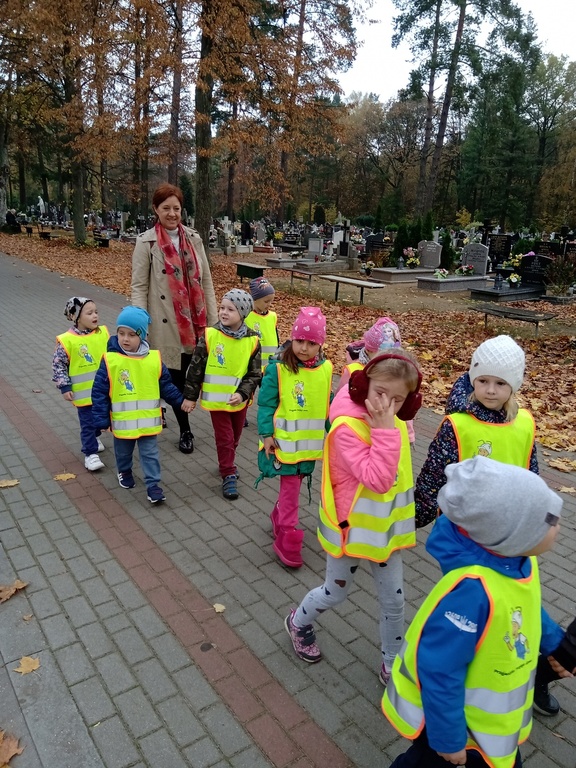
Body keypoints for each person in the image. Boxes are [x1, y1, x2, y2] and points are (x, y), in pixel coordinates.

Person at [382, 456, 564, 768]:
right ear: (512, 535)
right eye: (548, 521)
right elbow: (439, 669)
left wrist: (555, 643)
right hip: (455, 727)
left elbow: (528, 608)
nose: (558, 525)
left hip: (485, 727)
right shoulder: (472, 593)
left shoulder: (519, 562)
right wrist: (447, 739)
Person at [284, 350, 422, 680]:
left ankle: (391, 662)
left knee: (394, 602)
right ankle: (297, 622)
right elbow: (378, 479)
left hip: (383, 533)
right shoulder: (348, 429)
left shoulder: (392, 421)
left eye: (398, 399)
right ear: (363, 386)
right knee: (335, 592)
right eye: (380, 393)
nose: (386, 405)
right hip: (351, 531)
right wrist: (386, 431)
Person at [131, 183, 218, 455]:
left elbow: (206, 280)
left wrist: (214, 320)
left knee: (193, 373)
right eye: (166, 208)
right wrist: (139, 324)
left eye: (176, 208)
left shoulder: (194, 239)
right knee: (177, 378)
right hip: (164, 322)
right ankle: (185, 430)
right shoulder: (146, 242)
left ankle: (170, 410)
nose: (172, 213)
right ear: (156, 209)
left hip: (195, 321)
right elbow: (139, 286)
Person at [415, 335, 535, 529]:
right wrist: (416, 517)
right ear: (473, 380)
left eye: (501, 383)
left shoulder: (525, 423)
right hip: (460, 529)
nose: (490, 390)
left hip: (507, 526)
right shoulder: (457, 425)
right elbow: (434, 476)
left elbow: (531, 474)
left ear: (513, 385)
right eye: (483, 381)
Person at [257, 307, 332, 568]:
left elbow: (327, 405)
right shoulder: (278, 369)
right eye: (300, 341)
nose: (304, 348)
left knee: (295, 486)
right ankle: (287, 533)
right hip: (284, 444)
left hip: (308, 446)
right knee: (291, 489)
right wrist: (266, 434)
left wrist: (337, 431)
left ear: (320, 344)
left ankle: (279, 515)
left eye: (311, 343)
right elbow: (266, 404)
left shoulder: (325, 370)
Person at [92, 307, 187, 504]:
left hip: (147, 422)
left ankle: (153, 485)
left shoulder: (153, 359)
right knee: (123, 452)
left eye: (132, 335)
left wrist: (180, 401)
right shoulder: (111, 360)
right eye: (121, 333)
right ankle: (124, 471)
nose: (125, 339)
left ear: (142, 336)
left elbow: (166, 386)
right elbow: (99, 391)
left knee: (150, 454)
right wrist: (100, 419)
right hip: (123, 422)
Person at [183, 289, 261, 500]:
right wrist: (190, 396)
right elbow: (195, 368)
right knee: (225, 438)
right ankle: (228, 473)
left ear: (243, 313)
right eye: (222, 308)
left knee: (235, 437)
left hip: (238, 402)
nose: (224, 312)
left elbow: (254, 374)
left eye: (230, 309)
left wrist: (243, 394)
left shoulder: (253, 340)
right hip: (217, 401)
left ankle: (227, 462)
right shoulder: (210, 335)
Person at [52, 297, 110, 471]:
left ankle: (95, 436)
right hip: (84, 394)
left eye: (96, 312)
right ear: (76, 317)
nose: (95, 316)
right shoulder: (67, 340)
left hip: (104, 391)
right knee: (87, 423)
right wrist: (64, 386)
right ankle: (90, 454)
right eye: (89, 313)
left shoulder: (103, 333)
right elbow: (58, 365)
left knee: (100, 419)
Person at [245, 277, 279, 370]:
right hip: (253, 369)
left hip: (270, 368)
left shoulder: (273, 317)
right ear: (254, 299)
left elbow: (277, 342)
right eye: (266, 301)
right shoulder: (246, 317)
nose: (269, 304)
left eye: (271, 301)